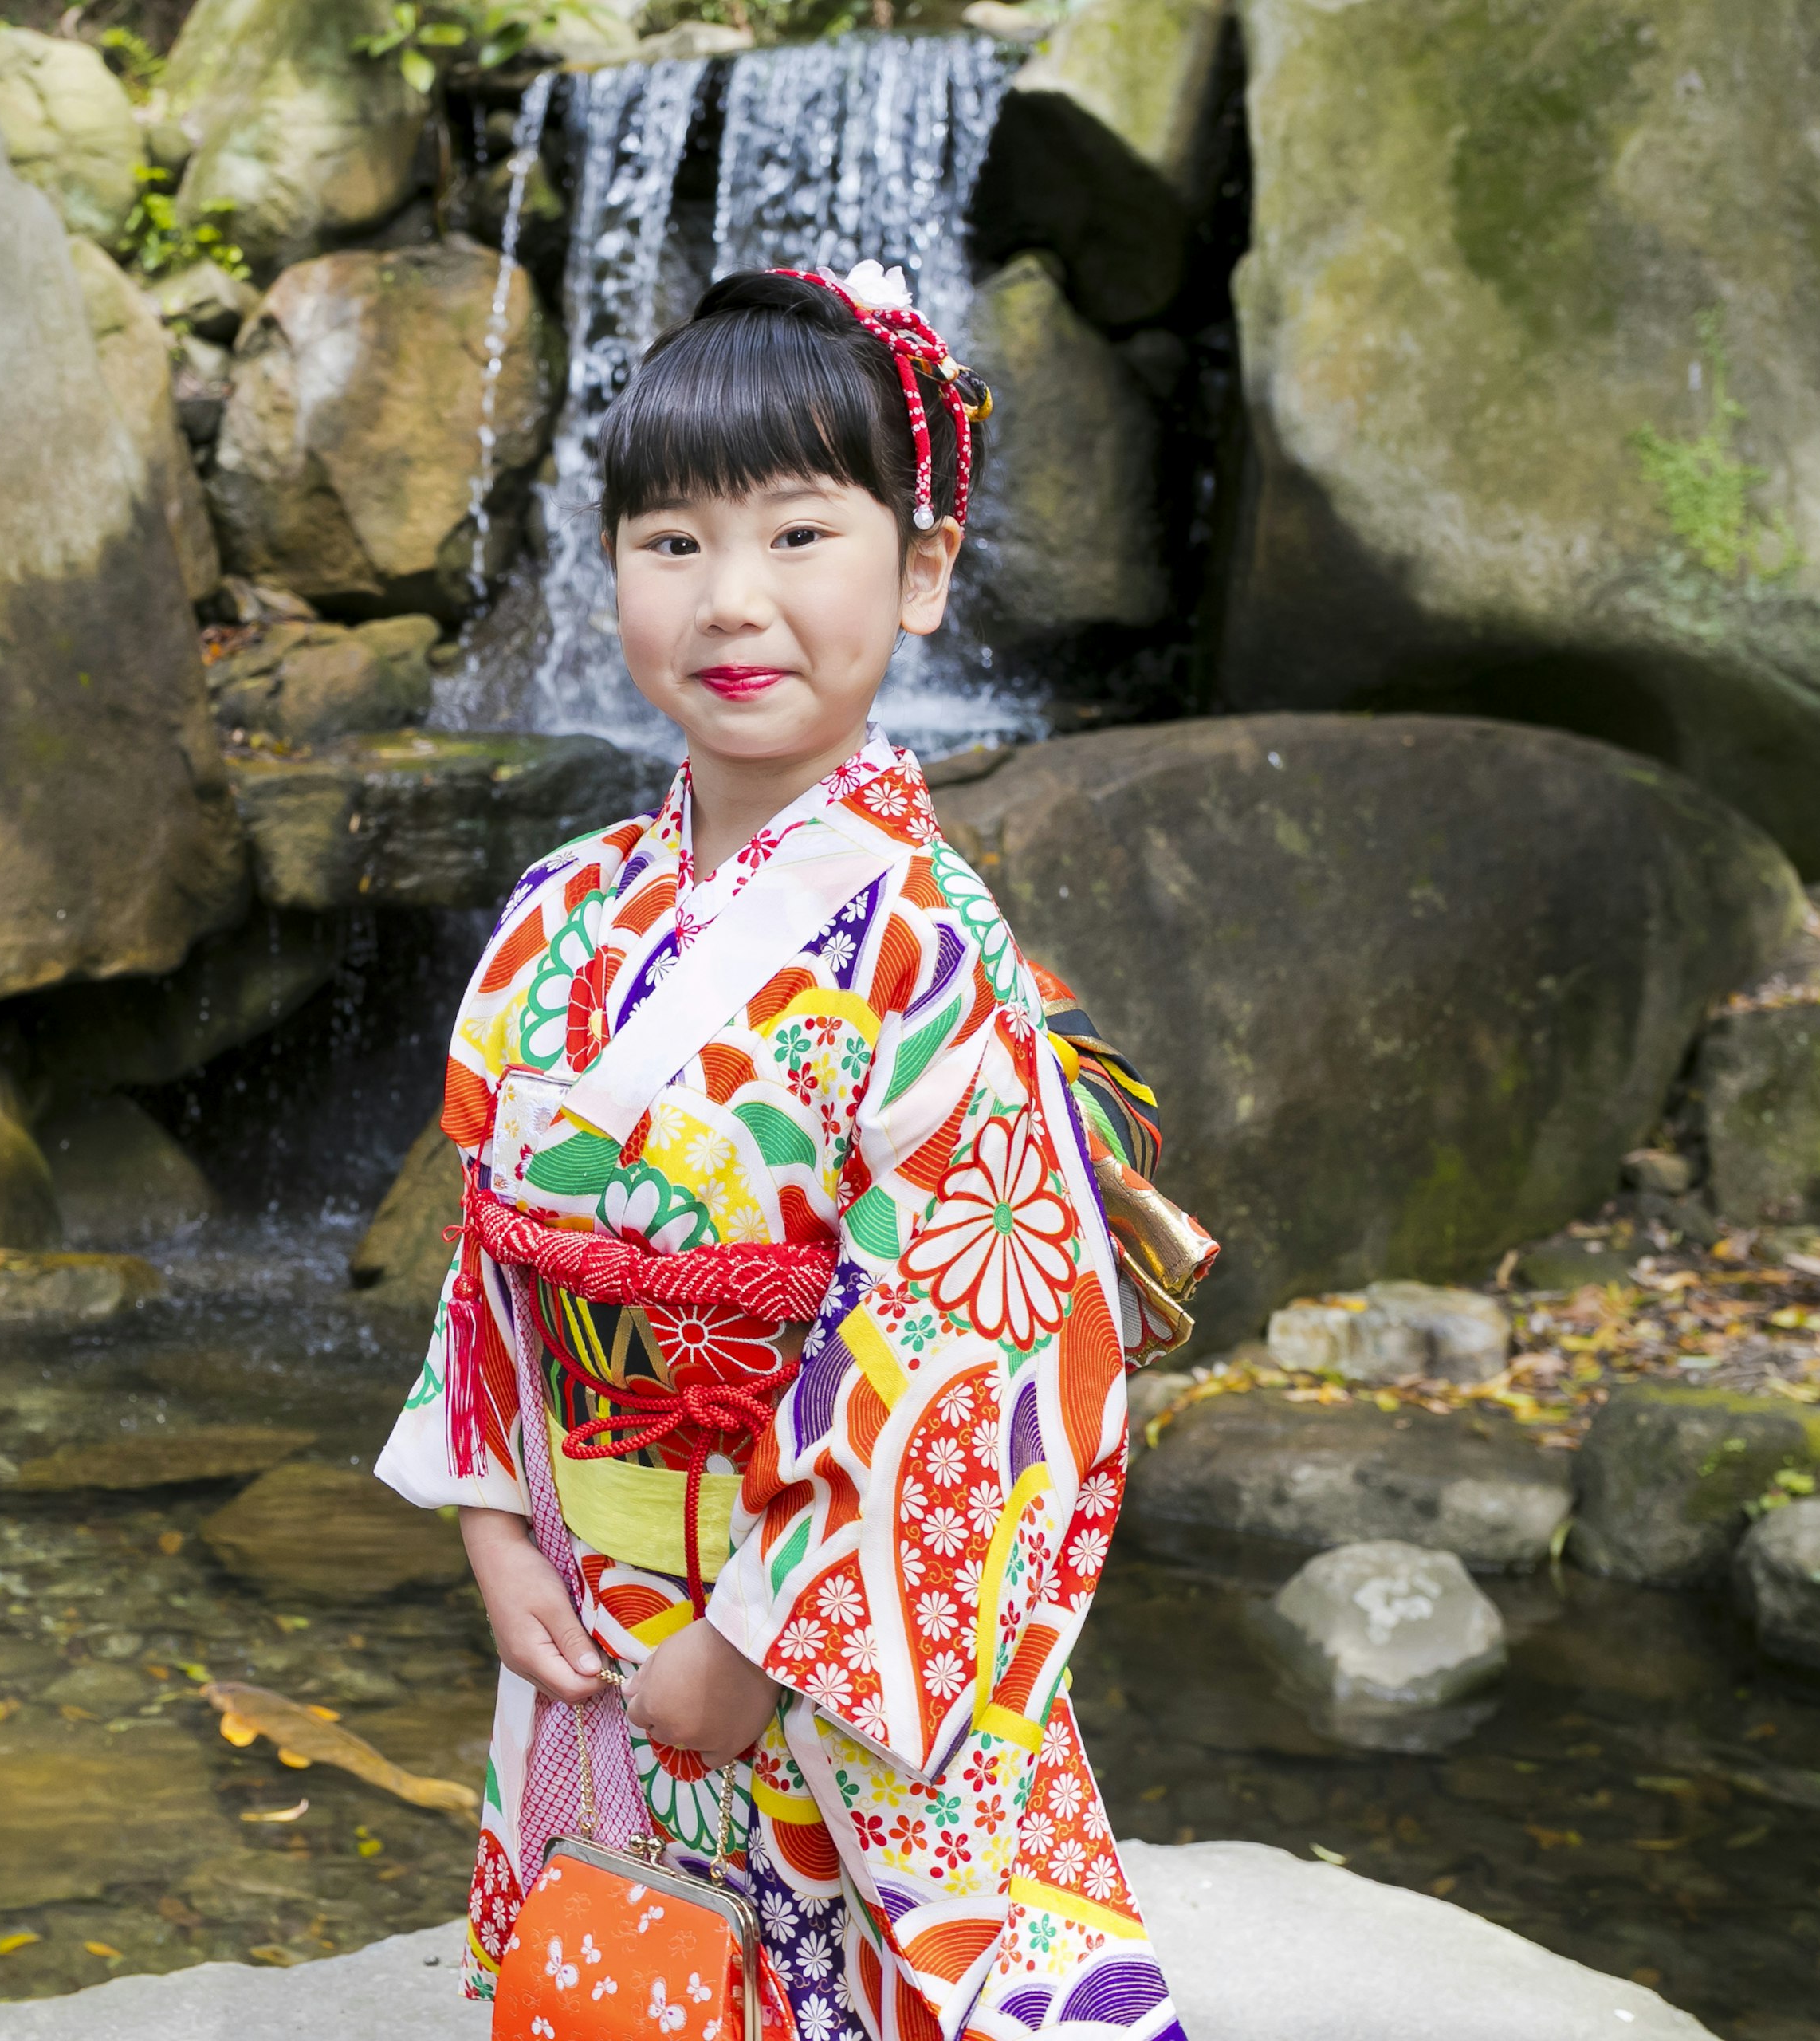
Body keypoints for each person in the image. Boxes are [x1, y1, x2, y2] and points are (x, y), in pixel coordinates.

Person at [375, 263, 1213, 2041]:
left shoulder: (923, 946)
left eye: (799, 534)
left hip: (819, 1638)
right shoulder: (554, 917)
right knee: (627, 1969)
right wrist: (493, 1519)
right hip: (593, 1614)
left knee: (860, 1981)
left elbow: (973, 1345)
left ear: (920, 571)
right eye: (669, 542)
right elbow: (491, 1258)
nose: (732, 599)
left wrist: (755, 1641)